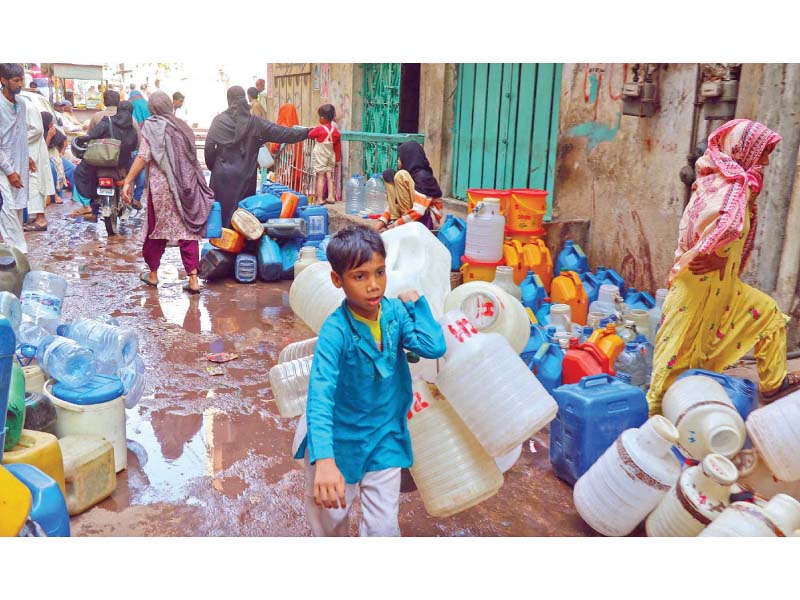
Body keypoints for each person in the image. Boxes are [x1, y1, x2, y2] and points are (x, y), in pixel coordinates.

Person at [293, 225, 446, 536]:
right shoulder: (335, 332)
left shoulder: (395, 315)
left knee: (383, 528)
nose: (374, 285)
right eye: (360, 276)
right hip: (338, 441)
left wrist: (417, 305)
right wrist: (324, 460)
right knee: (330, 522)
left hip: (385, 437)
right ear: (338, 280)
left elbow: (434, 347)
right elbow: (320, 396)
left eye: (379, 272)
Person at [646, 119, 798, 414]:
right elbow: (699, 228)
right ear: (743, 150)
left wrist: (723, 259)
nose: (765, 160)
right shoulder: (723, 187)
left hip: (724, 286)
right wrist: (710, 252)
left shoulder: (739, 184)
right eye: (763, 152)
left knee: (767, 315)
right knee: (673, 352)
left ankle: (773, 384)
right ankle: (654, 416)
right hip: (697, 286)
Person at [122, 91, 215, 295]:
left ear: (152, 108)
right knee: (187, 230)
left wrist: (128, 180)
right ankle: (193, 279)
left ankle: (153, 274)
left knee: (156, 230)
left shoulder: (151, 126)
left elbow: (144, 155)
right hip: (184, 185)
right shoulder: (183, 127)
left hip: (161, 189)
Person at [205, 87, 309, 227]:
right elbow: (281, 132)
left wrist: (215, 167)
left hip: (222, 175)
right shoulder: (255, 123)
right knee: (243, 218)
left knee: (221, 218)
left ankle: (221, 244)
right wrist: (307, 133)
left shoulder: (218, 121)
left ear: (229, 100)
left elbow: (209, 148)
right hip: (245, 176)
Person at [73, 100, 140, 220]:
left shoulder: (106, 120)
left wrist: (83, 139)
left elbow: (92, 135)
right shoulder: (133, 128)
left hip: (104, 160)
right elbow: (135, 147)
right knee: (133, 175)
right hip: (122, 164)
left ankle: (93, 205)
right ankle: (129, 203)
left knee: (86, 173)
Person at [0, 63, 34, 253]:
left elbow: (20, 134)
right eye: (16, 80)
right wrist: (9, 171)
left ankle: (14, 252)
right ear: (3, 80)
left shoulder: (21, 104)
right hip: (3, 166)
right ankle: (19, 250)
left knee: (18, 206)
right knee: (8, 208)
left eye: (21, 80)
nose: (20, 84)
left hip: (19, 162)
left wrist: (27, 157)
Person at [377, 141, 443, 232]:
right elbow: (395, 203)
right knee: (389, 174)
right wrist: (379, 225)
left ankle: (401, 225)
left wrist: (391, 228)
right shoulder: (411, 176)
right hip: (412, 216)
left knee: (400, 175)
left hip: (428, 222)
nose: (398, 161)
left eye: (400, 158)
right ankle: (396, 219)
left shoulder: (423, 177)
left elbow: (418, 211)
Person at [22, 98, 55, 231]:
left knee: (34, 182)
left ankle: (40, 219)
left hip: (33, 149)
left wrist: (18, 138)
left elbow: (37, 130)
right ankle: (36, 217)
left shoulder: (28, 106)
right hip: (26, 148)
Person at [307, 104, 341, 205]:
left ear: (322, 118)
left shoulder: (319, 129)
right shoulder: (335, 132)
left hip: (321, 154)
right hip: (330, 155)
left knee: (320, 176)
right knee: (330, 176)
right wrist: (337, 160)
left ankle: (320, 199)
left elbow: (310, 135)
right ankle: (331, 197)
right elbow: (337, 148)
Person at [268, 102, 304, 193]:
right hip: (295, 164)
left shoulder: (281, 127)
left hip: (284, 162)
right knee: (292, 185)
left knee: (283, 185)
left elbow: (274, 147)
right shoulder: (298, 129)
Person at [42, 111, 68, 205]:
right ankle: (54, 194)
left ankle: (81, 201)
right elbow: (42, 150)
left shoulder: (54, 129)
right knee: (52, 169)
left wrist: (62, 152)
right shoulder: (40, 131)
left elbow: (64, 139)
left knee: (73, 169)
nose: (52, 124)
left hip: (55, 154)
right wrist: (49, 136)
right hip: (44, 156)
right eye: (50, 122)